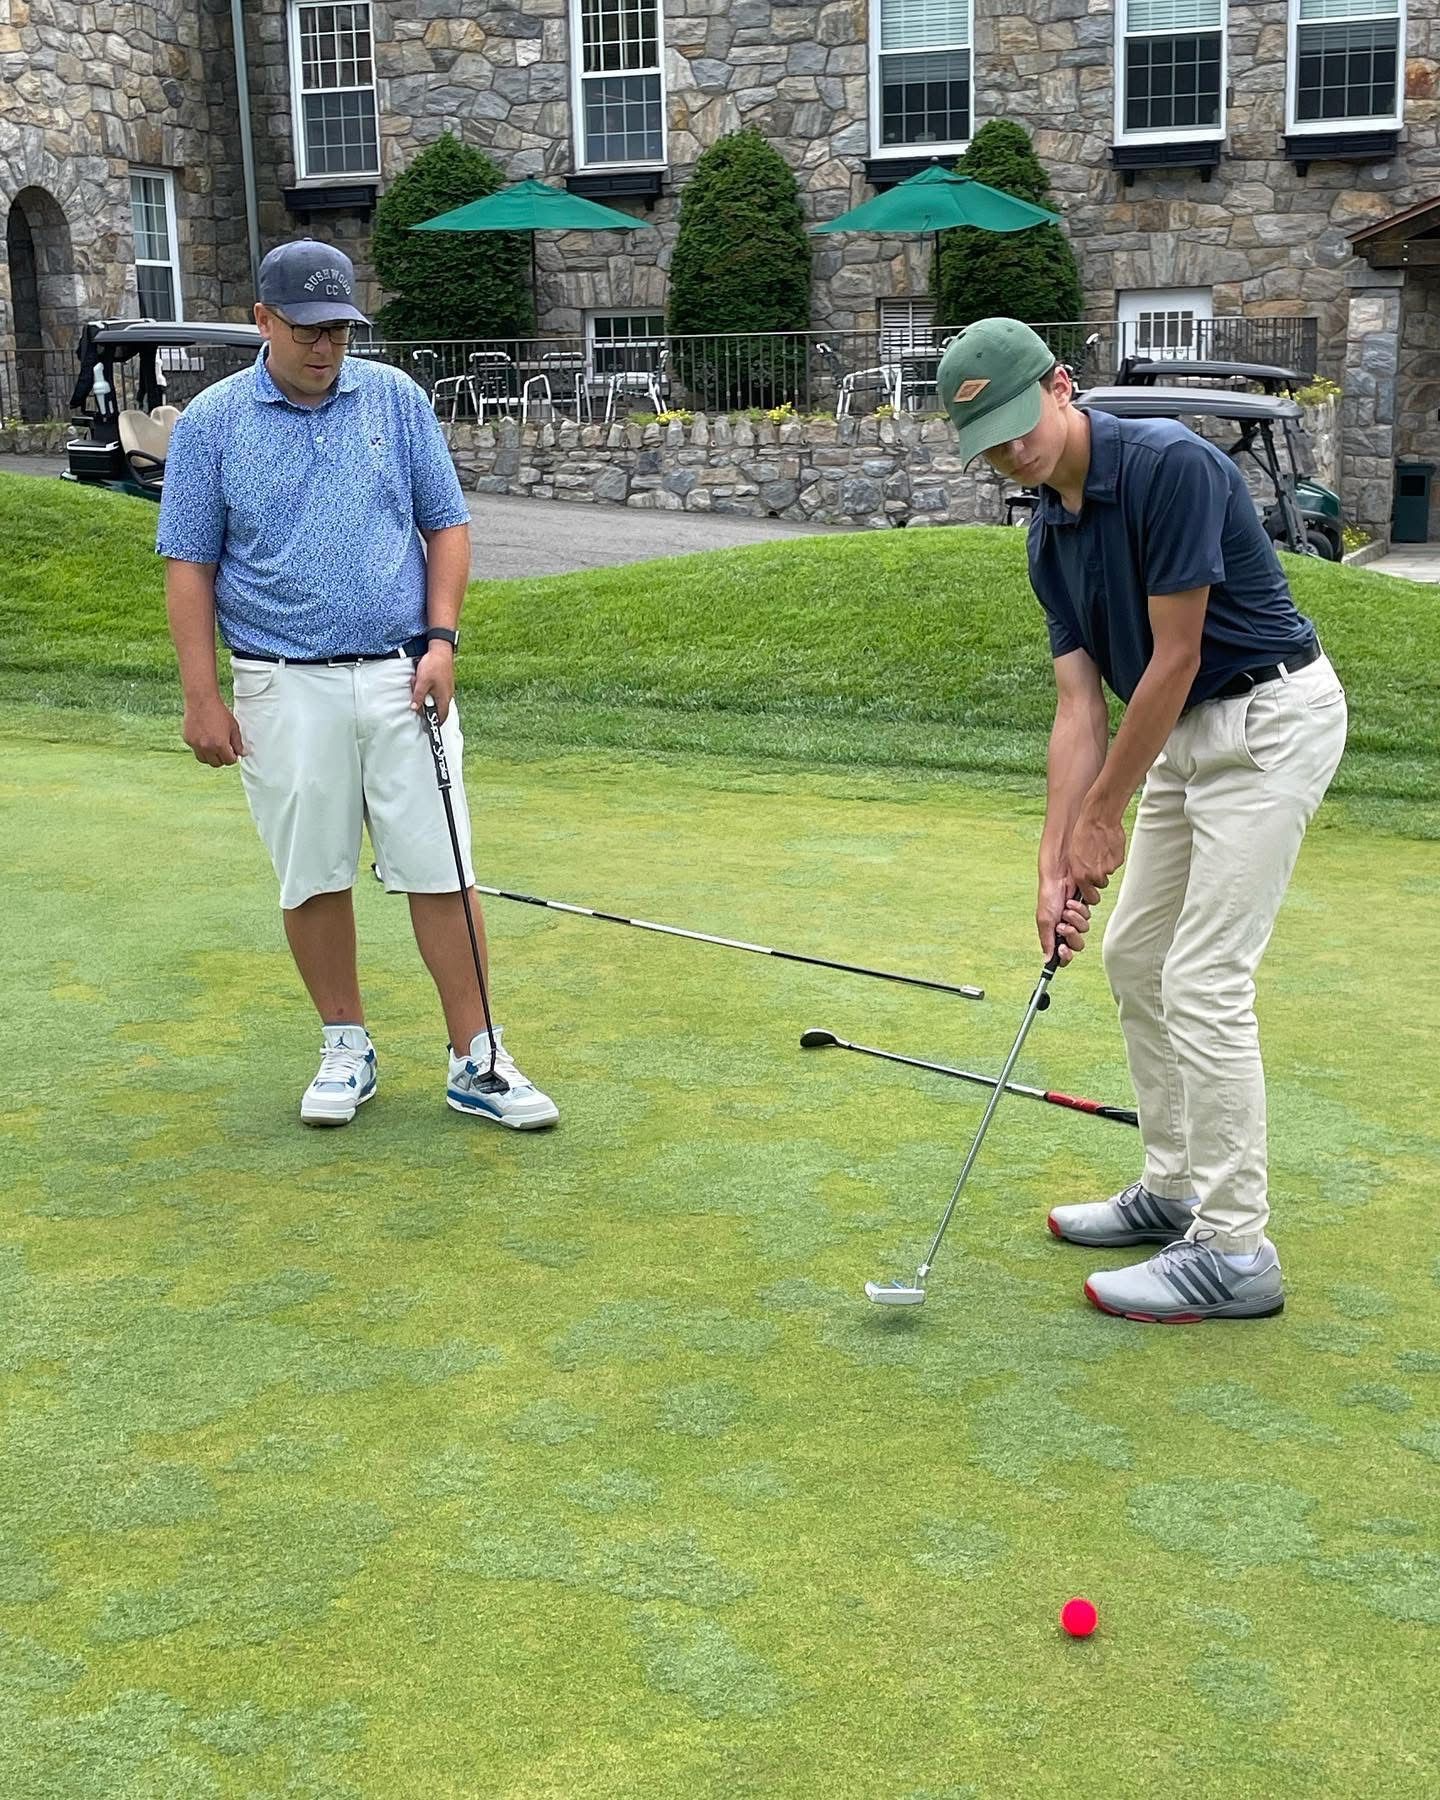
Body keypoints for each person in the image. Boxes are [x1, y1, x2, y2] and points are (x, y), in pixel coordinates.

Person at [936, 317, 1347, 1322]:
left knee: (1204, 975)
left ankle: (1236, 1248)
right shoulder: (1048, 537)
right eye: (987, 440)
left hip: (1270, 717)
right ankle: (1172, 1189)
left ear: (1062, 387)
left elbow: (1171, 658)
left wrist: (1104, 816)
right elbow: (1080, 709)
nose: (1011, 450)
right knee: (1133, 957)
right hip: (1179, 735)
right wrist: (1053, 858)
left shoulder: (1171, 466)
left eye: (1017, 423)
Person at [156, 239, 556, 1132]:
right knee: (314, 872)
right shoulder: (213, 423)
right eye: (306, 328)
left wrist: (444, 641)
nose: (325, 346)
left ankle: (477, 1056)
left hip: (402, 674)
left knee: (442, 867)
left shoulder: (395, 399)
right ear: (263, 321)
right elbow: (190, 566)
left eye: (338, 328)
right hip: (279, 683)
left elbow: (445, 526)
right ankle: (346, 1042)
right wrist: (201, 698)